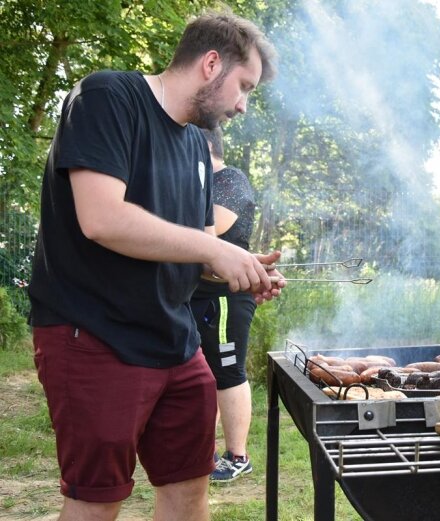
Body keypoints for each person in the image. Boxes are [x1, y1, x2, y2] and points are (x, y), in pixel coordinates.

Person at [27, 10, 284, 521]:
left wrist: (235, 268)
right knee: (96, 504)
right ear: (211, 63)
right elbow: (102, 219)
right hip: (94, 335)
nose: (243, 104)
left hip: (176, 343)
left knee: (190, 491)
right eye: (244, 86)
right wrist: (215, 249)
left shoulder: (194, 146)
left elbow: (178, 251)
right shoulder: (106, 98)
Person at [190, 126, 259, 482]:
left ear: (202, 144)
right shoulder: (198, 183)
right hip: (195, 296)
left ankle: (237, 456)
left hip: (226, 298)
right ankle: (206, 452)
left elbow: (209, 234)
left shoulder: (230, 180)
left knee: (226, 372)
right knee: (202, 373)